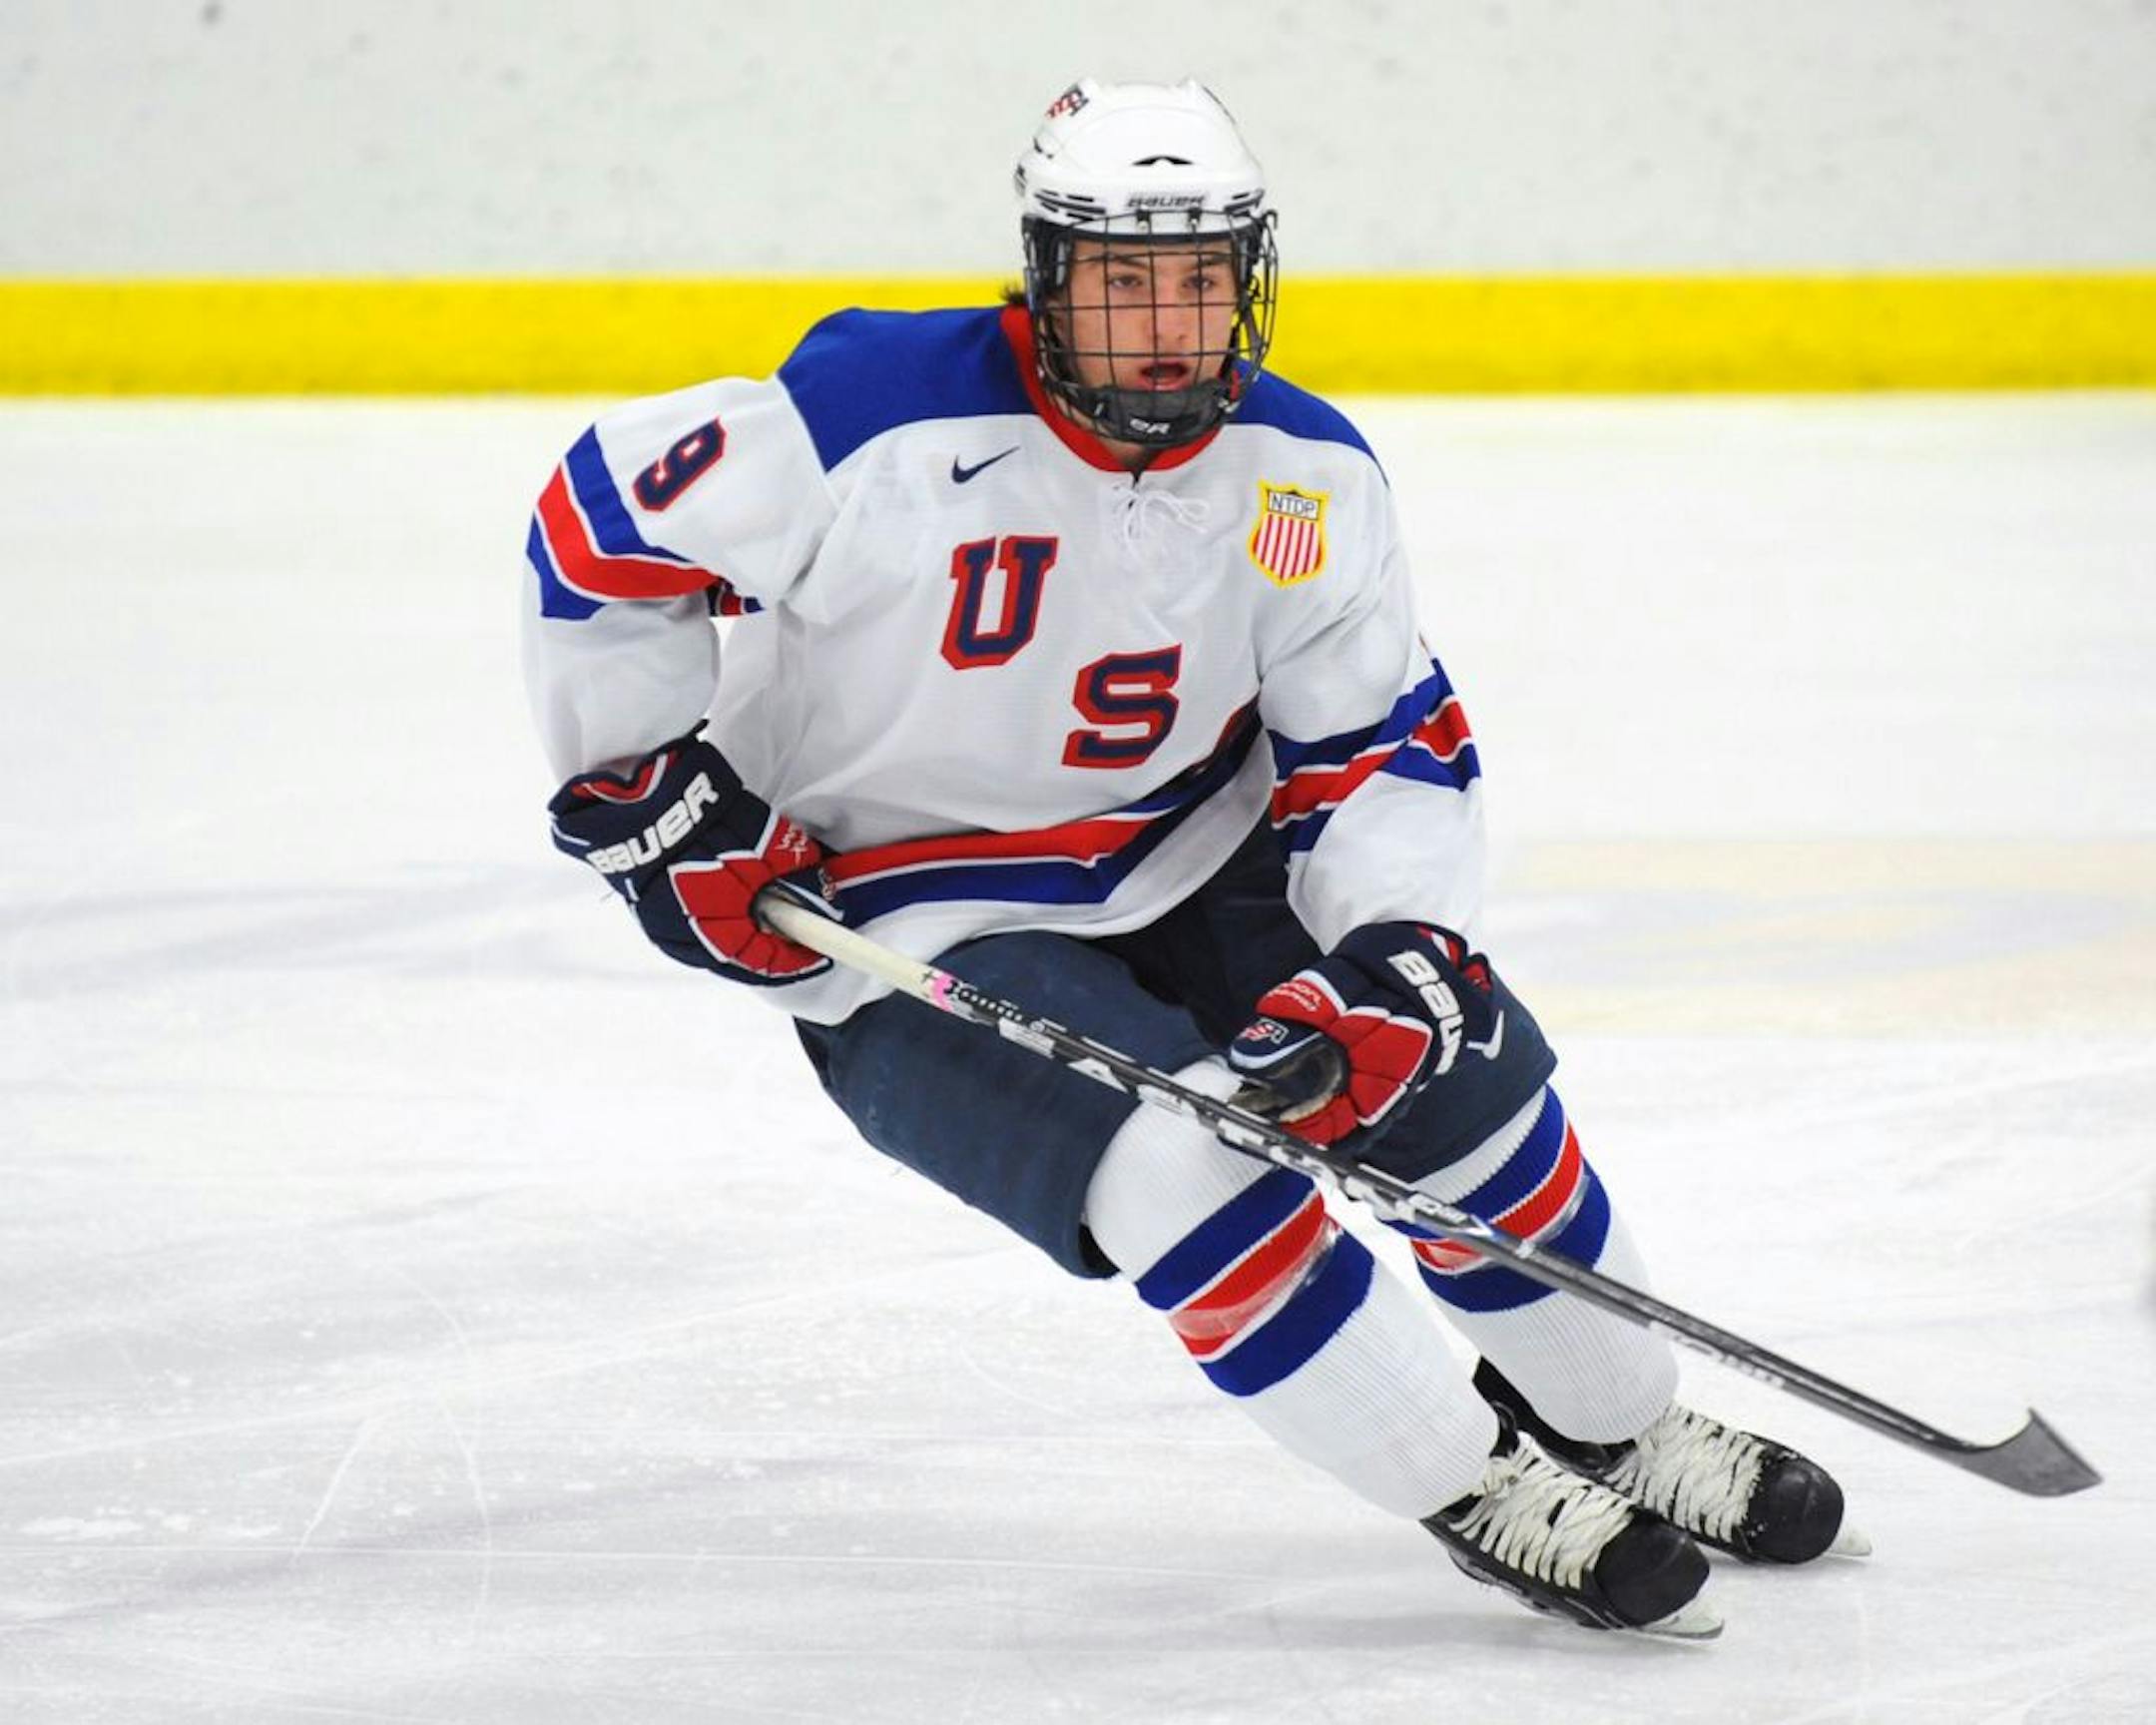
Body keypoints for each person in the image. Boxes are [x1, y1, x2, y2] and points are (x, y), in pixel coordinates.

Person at [521, 77, 1864, 1639]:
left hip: (1197, 851)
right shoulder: (870, 411)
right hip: (905, 901)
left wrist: (1397, 951)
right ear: (1045, 276)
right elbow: (600, 523)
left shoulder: (1305, 479)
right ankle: (1472, 1481)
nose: (1168, 322)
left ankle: (1624, 1421)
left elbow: (1372, 742)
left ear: (1251, 276)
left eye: (1202, 277)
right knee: (1185, 1162)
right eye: (1122, 281)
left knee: (1454, 1070)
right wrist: (649, 791)